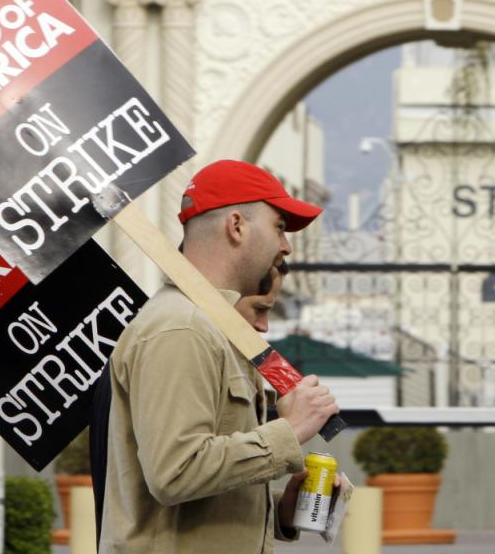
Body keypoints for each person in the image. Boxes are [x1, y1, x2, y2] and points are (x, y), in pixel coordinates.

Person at [99, 160, 340, 553]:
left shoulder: (211, 328)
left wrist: (280, 510)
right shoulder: (183, 328)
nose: (286, 246)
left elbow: (201, 493)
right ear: (236, 226)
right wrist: (290, 430)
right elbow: (175, 472)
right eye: (279, 226)